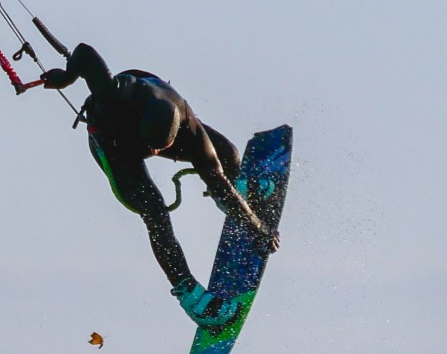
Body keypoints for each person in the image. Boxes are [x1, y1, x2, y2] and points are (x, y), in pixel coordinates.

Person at [39, 42, 278, 327]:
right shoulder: (111, 91)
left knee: (226, 155)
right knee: (155, 212)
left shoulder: (187, 127)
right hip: (115, 146)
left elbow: (212, 174)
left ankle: (231, 202)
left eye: (159, 149)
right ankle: (189, 293)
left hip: (164, 124)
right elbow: (83, 53)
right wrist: (66, 78)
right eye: (154, 149)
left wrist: (257, 227)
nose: (155, 154)